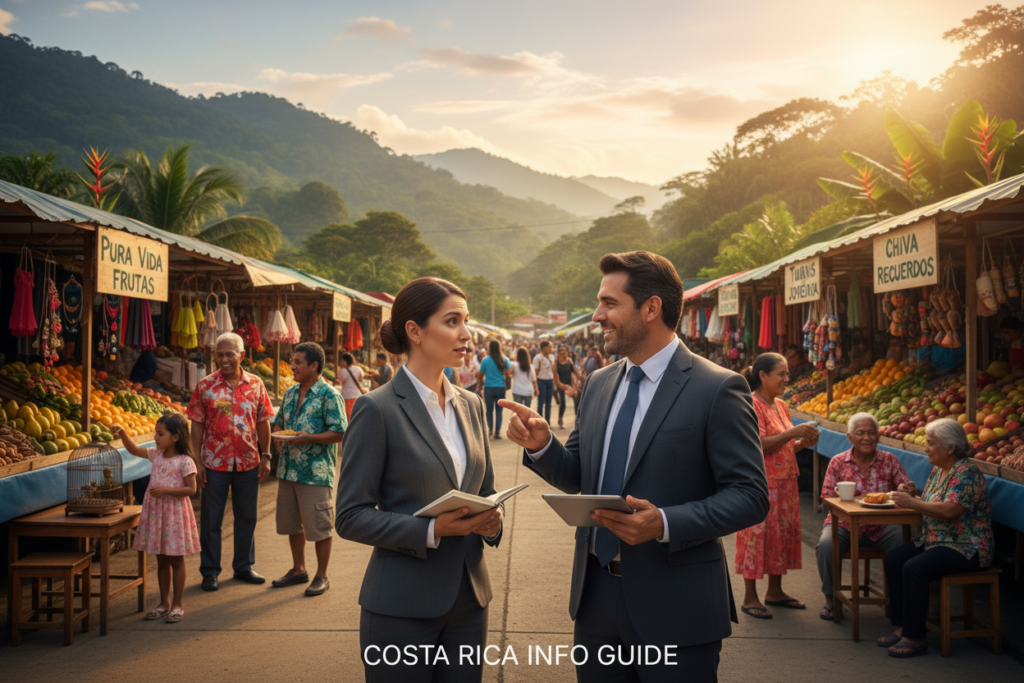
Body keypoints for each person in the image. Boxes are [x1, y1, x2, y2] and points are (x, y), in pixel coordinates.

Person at [501, 250, 769, 682]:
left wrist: (663, 522)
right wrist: (543, 445)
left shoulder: (718, 388)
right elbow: (578, 476)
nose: (596, 315)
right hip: (595, 599)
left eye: (609, 303)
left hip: (677, 606)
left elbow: (750, 497)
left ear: (651, 308)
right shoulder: (601, 383)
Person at [335, 277, 504, 683]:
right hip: (400, 605)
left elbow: (485, 491)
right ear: (414, 330)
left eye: (466, 320)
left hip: (469, 601)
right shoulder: (377, 410)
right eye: (452, 321)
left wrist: (493, 520)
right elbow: (350, 515)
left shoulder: (472, 404)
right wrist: (429, 529)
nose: (466, 334)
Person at [880, 418, 994, 658]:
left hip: (966, 547)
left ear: (951, 447)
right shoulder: (939, 470)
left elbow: (952, 510)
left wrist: (914, 503)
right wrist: (915, 494)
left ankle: (915, 637)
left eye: (931, 443)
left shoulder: (966, 472)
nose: (926, 448)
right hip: (936, 541)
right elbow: (934, 501)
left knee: (914, 568)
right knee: (894, 559)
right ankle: (902, 627)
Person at [187, 332, 274, 591]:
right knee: (211, 519)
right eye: (219, 354)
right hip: (214, 463)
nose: (224, 360)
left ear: (242, 355)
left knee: (247, 516)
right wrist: (198, 461)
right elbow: (196, 426)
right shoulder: (205, 386)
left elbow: (262, 422)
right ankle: (210, 571)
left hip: (248, 461)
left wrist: (266, 455)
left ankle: (244, 566)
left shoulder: (256, 384)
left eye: (229, 354)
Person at [734, 353, 818, 618]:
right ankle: (750, 597)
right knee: (757, 537)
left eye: (787, 373)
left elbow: (783, 445)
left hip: (785, 484)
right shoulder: (751, 404)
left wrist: (802, 443)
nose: (786, 379)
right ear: (763, 376)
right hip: (761, 483)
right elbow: (757, 445)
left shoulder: (781, 405)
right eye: (781, 373)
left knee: (779, 537)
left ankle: (775, 591)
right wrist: (793, 433)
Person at [270, 342, 347, 597]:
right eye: (292, 362)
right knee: (293, 524)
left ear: (314, 366)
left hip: (316, 473)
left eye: (298, 362)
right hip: (288, 470)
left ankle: (322, 575)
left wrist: (309, 438)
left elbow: (339, 432)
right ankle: (298, 569)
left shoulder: (329, 395)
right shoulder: (291, 392)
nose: (292, 367)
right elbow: (279, 424)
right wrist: (279, 438)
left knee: (320, 525)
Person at [816, 412, 911, 620]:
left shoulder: (889, 460)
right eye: (860, 433)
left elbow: (904, 487)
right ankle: (831, 599)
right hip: (844, 523)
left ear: (878, 436)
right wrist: (844, 500)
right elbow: (826, 496)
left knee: (902, 543)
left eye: (871, 433)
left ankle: (898, 602)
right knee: (825, 546)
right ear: (850, 437)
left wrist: (906, 488)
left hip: (882, 525)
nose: (866, 438)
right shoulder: (838, 462)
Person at [112, 413, 199, 623]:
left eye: (161, 434)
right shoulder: (156, 455)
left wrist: (167, 490)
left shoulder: (185, 461)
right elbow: (133, 450)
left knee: (176, 559)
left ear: (176, 437)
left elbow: (191, 489)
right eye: (155, 434)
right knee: (161, 559)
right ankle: (164, 603)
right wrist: (123, 433)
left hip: (175, 516)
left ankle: (177, 604)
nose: (156, 438)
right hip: (157, 515)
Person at [476, 340, 511, 440]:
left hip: (489, 388)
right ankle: (497, 432)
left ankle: (490, 430)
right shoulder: (504, 360)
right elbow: (508, 374)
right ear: (499, 348)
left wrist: (479, 384)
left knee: (489, 411)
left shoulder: (485, 360)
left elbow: (480, 374)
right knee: (499, 411)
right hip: (500, 387)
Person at [554, 345, 581, 429]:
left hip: (570, 384)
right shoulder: (556, 363)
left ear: (567, 353)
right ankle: (560, 420)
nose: (562, 353)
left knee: (576, 401)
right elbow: (556, 378)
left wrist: (580, 379)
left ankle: (578, 420)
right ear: (558, 354)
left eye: (564, 352)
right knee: (563, 403)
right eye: (560, 352)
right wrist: (563, 386)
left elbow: (576, 372)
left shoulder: (569, 361)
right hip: (561, 385)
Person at [336, 352, 366, 420]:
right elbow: (361, 380)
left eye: (341, 361)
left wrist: (337, 381)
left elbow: (341, 382)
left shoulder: (343, 371)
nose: (340, 363)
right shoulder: (358, 369)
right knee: (356, 417)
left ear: (345, 361)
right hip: (357, 396)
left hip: (347, 397)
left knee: (347, 419)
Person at [533, 340, 555, 421]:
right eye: (549, 347)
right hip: (541, 381)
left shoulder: (552, 357)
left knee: (548, 404)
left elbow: (553, 370)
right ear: (544, 348)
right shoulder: (538, 358)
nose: (551, 349)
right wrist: (535, 386)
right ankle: (540, 420)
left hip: (550, 381)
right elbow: (535, 372)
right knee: (541, 403)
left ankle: (547, 422)